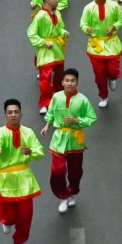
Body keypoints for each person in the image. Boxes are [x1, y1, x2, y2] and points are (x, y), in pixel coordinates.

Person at [0, 99, 45, 244]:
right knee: (7, 208)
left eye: (16, 112)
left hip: (24, 178)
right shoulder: (0, 132)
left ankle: (18, 242)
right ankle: (6, 221)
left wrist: (31, 152)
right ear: (5, 115)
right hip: (7, 178)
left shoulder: (28, 132)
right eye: (10, 112)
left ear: (21, 114)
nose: (13, 115)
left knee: (26, 214)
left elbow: (39, 151)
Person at [39, 69, 97, 214]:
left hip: (76, 140)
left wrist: (77, 120)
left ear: (77, 83)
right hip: (59, 138)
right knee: (56, 171)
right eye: (67, 80)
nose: (69, 83)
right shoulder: (56, 97)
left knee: (75, 171)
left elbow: (92, 118)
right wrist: (47, 126)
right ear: (62, 82)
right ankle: (63, 196)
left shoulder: (83, 100)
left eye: (73, 81)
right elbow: (51, 113)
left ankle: (73, 192)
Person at [78, 0, 122, 107]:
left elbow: (121, 20)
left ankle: (112, 77)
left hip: (112, 43)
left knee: (113, 69)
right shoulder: (88, 8)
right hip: (96, 45)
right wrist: (87, 29)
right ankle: (103, 96)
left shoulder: (114, 6)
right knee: (99, 74)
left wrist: (114, 27)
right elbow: (83, 23)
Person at [27, 0, 67, 115]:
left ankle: (57, 97)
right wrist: (43, 43)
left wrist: (64, 32)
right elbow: (31, 33)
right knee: (45, 77)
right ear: (49, 0)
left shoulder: (58, 13)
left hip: (57, 49)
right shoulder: (40, 16)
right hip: (45, 50)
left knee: (60, 75)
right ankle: (45, 102)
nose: (57, 0)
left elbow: (60, 27)